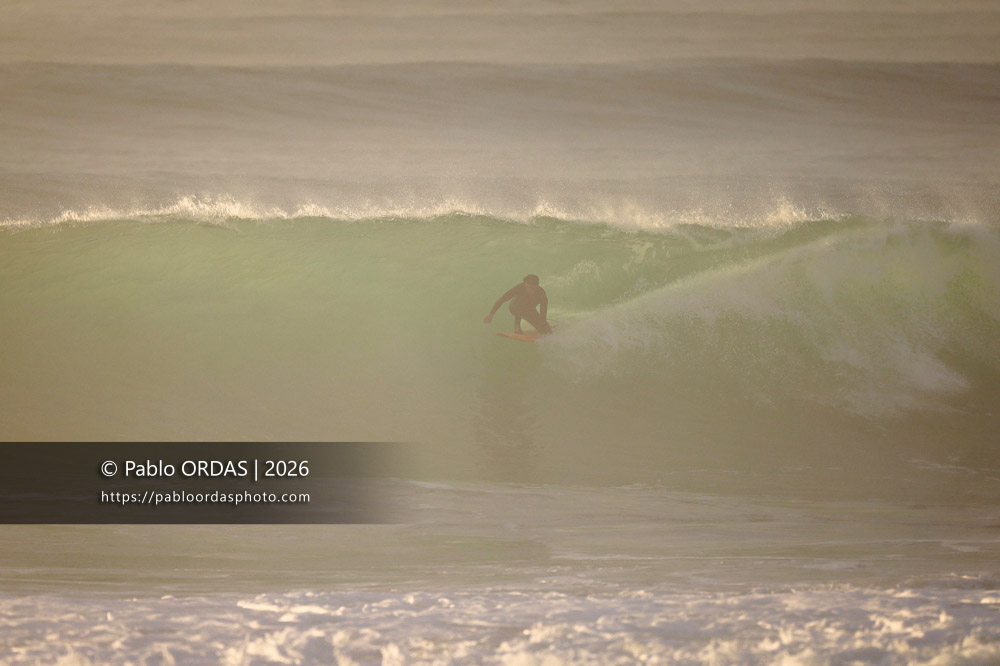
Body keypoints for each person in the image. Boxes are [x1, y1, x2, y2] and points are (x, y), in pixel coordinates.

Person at [483, 274, 552, 335]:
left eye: (533, 288)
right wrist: (491, 314)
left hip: (530, 309)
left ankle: (541, 328)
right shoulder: (520, 288)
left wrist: (543, 324)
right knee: (520, 306)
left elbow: (543, 310)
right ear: (525, 284)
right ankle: (517, 326)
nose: (530, 290)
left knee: (546, 330)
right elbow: (502, 299)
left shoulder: (541, 293)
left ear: (537, 286)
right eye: (528, 287)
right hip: (514, 307)